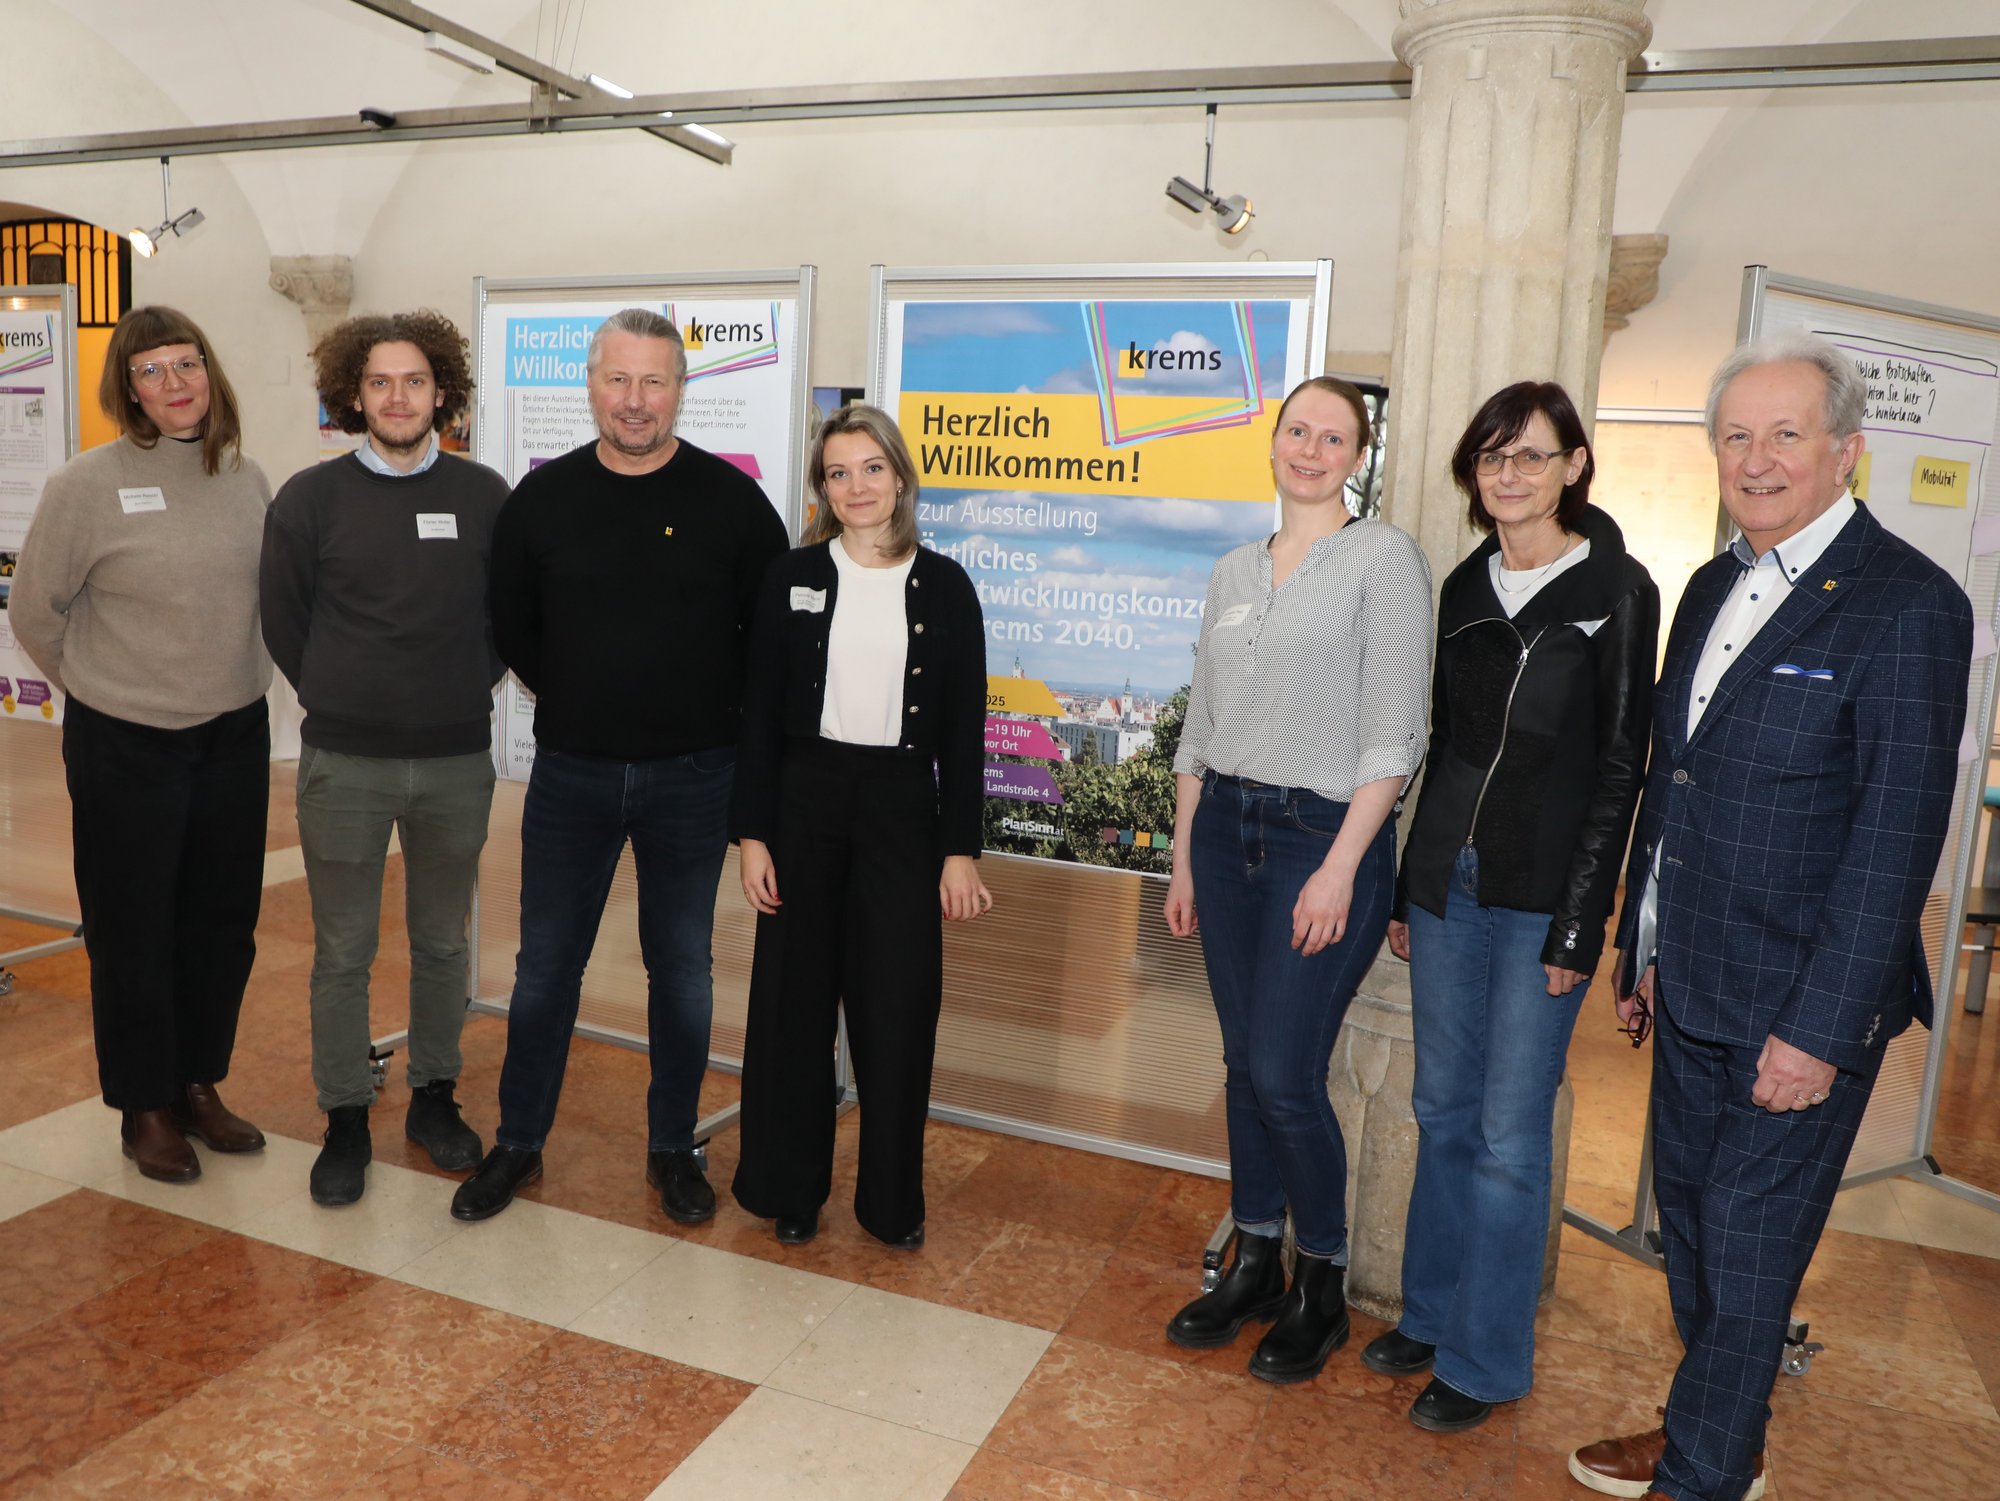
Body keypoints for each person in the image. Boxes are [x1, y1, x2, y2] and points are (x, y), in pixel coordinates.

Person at [1568, 333, 1970, 1501]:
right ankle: (1718, 1426)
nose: (1754, 459)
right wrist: (1635, 947)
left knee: (1745, 1243)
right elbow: (1670, 779)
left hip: (1798, 1004)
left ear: (1845, 448)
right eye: (1734, 436)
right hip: (1688, 977)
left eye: (1783, 433)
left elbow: (1894, 842)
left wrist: (1817, 1029)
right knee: (1692, 1229)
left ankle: (1701, 1469)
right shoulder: (1707, 585)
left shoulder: (1906, 604)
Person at [1363, 382, 1659, 1431]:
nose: (1509, 474)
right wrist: (1409, 881)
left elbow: (1623, 762)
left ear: (1573, 465)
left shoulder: (1617, 589)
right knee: (1439, 1109)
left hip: (1543, 899)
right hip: (1450, 881)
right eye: (1492, 457)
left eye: (1530, 455)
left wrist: (1586, 921)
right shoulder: (1461, 585)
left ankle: (1486, 1360)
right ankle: (1430, 1314)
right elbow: (1445, 746)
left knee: (1504, 1132)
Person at [451, 308, 788, 1224]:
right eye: (618, 380)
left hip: (694, 778)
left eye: (655, 382)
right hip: (573, 775)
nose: (635, 401)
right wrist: (588, 696)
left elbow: (769, 642)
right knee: (543, 969)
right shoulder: (542, 500)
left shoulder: (733, 503)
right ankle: (518, 1141)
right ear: (590, 385)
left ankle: (674, 1148)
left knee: (680, 969)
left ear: (682, 390)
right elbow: (513, 624)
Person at [1162, 376, 1433, 1384]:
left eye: (1333, 437)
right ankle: (1255, 1258)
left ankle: (1320, 1284)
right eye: (1297, 432)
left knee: (1283, 1073)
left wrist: (1340, 866)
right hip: (1225, 827)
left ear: (1356, 456)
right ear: (1270, 442)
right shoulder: (1234, 567)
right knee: (1242, 1068)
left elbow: (1393, 730)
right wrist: (1184, 850)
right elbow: (1198, 725)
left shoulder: (1382, 560)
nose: (1311, 449)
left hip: (1323, 836)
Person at [9, 305, 271, 1183]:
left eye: (186, 364)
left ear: (211, 371)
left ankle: (198, 1082)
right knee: (133, 929)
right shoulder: (87, 483)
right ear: (127, 387)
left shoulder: (243, 475)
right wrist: (99, 685)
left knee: (221, 925)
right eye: (151, 371)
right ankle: (144, 1105)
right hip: (127, 742)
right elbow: (33, 608)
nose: (173, 384)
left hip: (233, 731)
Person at [261, 309, 510, 1206]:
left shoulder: (486, 496)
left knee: (444, 940)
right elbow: (286, 623)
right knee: (343, 949)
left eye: (414, 381)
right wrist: (346, 688)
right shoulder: (310, 498)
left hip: (453, 761)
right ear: (352, 396)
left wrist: (449, 689)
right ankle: (344, 1117)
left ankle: (434, 1096)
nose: (398, 397)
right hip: (346, 764)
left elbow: (506, 622)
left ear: (441, 391)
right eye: (379, 383)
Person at [729, 404, 989, 1247]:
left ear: (901, 476)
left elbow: (963, 731)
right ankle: (790, 1188)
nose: (856, 487)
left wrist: (959, 850)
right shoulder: (791, 575)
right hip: (804, 805)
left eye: (871, 468)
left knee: (897, 1009)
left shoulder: (946, 584)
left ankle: (890, 1202)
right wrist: (753, 834)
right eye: (838, 473)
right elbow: (759, 716)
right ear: (822, 487)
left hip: (902, 813)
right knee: (792, 1007)